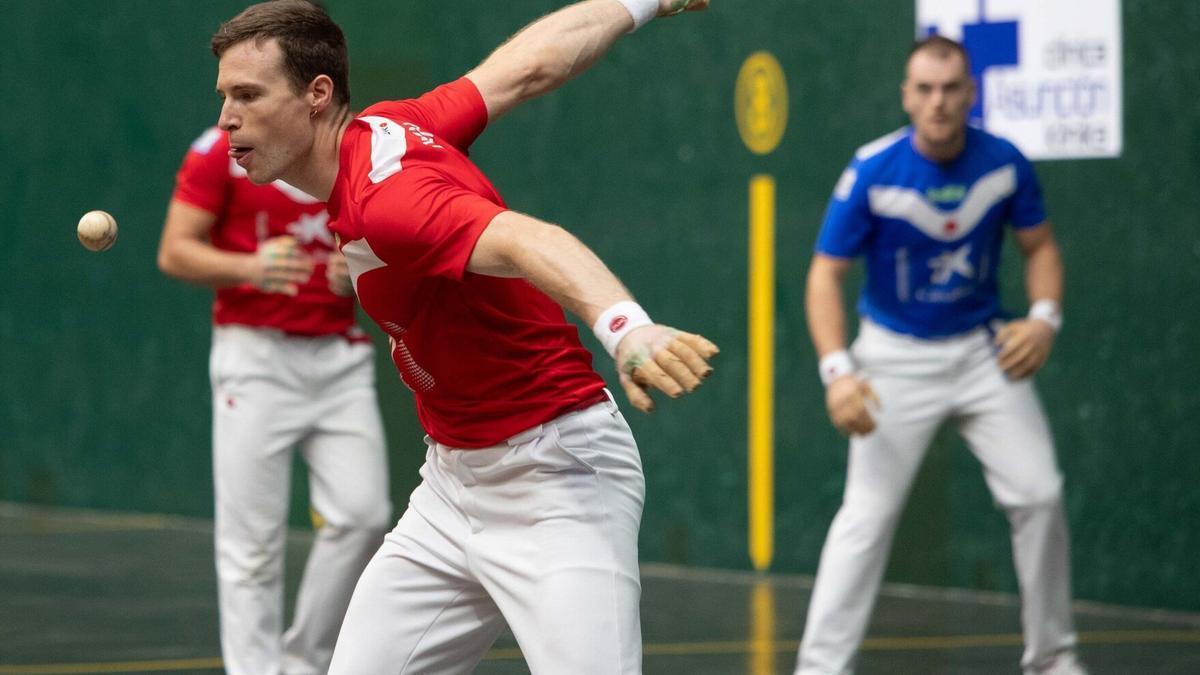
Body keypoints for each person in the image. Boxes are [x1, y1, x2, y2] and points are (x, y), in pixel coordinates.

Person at [206, 0, 718, 673]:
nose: (226, 120)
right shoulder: (394, 127)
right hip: (451, 488)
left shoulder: (391, 201)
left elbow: (530, 240)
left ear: (316, 96)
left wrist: (625, 327)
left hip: (556, 481)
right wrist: (643, 3)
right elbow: (524, 69)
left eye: (248, 95)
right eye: (223, 97)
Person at [795, 36, 1085, 675]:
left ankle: (1053, 658)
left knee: (1039, 495)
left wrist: (1043, 319)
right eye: (925, 89)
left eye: (951, 88)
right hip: (893, 360)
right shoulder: (873, 169)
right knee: (866, 518)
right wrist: (838, 371)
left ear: (971, 93)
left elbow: (1041, 248)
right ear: (906, 95)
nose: (938, 102)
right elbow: (824, 276)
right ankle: (820, 669)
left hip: (985, 356)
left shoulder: (1005, 164)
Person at [157, 121, 392, 674]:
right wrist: (250, 267)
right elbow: (175, 252)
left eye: (248, 92)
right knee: (252, 545)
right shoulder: (218, 154)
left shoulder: (348, 153)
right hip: (255, 364)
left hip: (339, 361)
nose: (232, 110)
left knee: (364, 516)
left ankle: (304, 662)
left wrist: (356, 270)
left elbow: (386, 245)